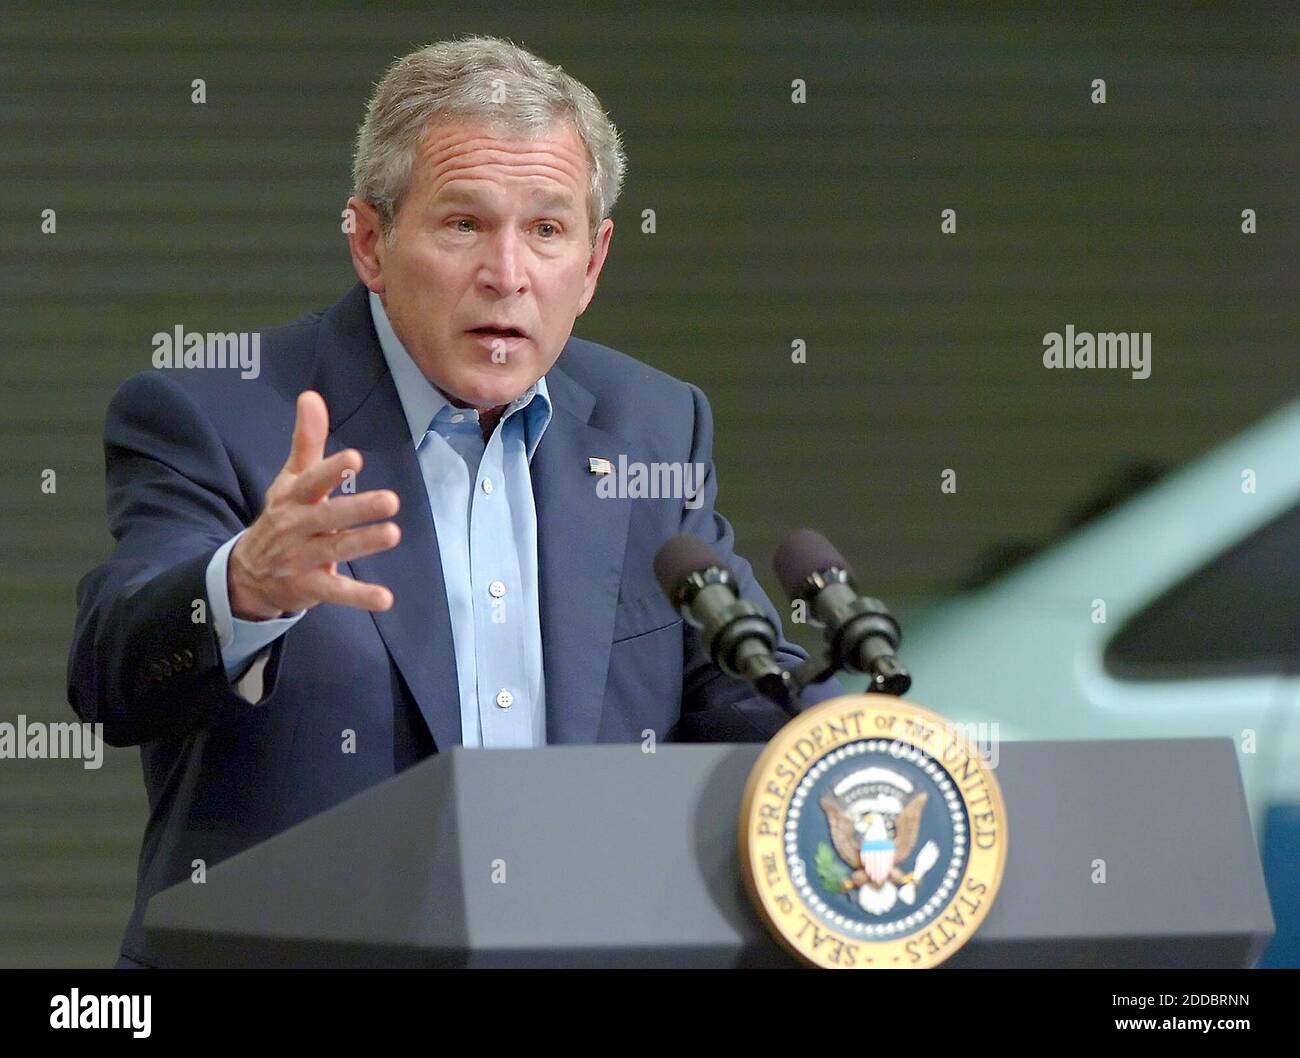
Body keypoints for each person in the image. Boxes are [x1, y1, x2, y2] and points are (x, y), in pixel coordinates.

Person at [67, 35, 838, 969]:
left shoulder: (650, 425)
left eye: (547, 230)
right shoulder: (218, 411)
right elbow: (110, 669)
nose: (507, 274)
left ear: (591, 263)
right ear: (369, 241)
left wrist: (853, 739)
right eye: (464, 225)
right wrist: (247, 585)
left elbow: (735, 686)